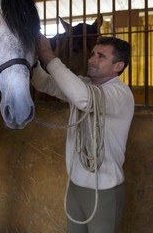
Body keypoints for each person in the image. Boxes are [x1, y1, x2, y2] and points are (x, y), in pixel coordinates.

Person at [32, 34, 134, 233]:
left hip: (104, 189)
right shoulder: (84, 85)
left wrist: (48, 55)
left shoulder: (120, 94)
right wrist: (33, 58)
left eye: (100, 56)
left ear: (118, 66)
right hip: (75, 185)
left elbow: (84, 99)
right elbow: (44, 83)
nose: (91, 59)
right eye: (93, 54)